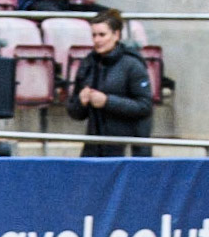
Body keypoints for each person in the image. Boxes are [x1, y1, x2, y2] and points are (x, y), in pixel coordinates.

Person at [66, 9, 154, 157]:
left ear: (116, 35)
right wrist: (81, 101)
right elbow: (76, 113)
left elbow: (144, 106)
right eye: (94, 35)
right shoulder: (88, 63)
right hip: (94, 148)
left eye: (102, 35)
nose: (97, 40)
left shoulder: (132, 64)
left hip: (127, 150)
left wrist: (107, 102)